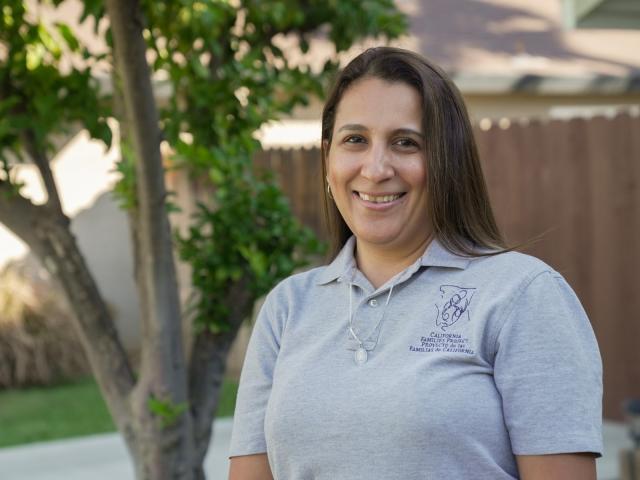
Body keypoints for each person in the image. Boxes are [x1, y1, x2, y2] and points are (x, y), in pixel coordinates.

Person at [228, 47, 602, 479]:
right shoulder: (287, 308)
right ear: (328, 157)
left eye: (406, 142)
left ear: (447, 160)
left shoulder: (524, 296)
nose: (376, 168)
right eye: (355, 140)